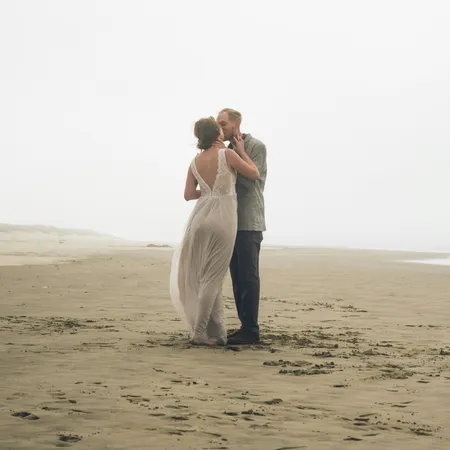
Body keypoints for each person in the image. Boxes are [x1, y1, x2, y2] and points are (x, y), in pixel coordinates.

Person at [169, 117, 260, 346]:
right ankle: (199, 334)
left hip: (199, 218)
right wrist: (240, 150)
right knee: (213, 277)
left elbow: (189, 194)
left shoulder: (195, 161)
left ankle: (217, 333)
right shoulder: (226, 155)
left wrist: (209, 194)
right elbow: (254, 173)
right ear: (217, 134)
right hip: (222, 219)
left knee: (206, 276)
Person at [217, 108, 267, 345]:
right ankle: (245, 326)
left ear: (237, 124)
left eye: (223, 124)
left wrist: (240, 153)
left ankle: (251, 329)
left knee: (248, 276)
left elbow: (252, 179)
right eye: (217, 124)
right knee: (236, 276)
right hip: (230, 221)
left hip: (249, 220)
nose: (220, 128)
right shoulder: (225, 151)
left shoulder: (256, 146)